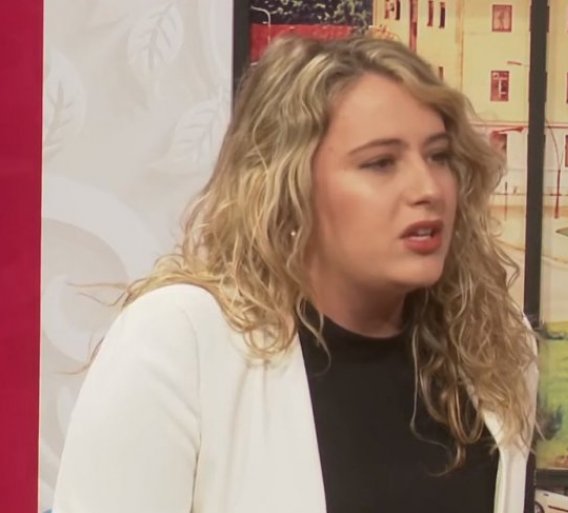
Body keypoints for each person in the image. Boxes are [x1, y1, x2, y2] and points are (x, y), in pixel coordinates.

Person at [52, 35, 538, 513]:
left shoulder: (492, 347)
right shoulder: (180, 340)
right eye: (380, 163)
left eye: (438, 156)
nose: (428, 188)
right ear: (290, 185)